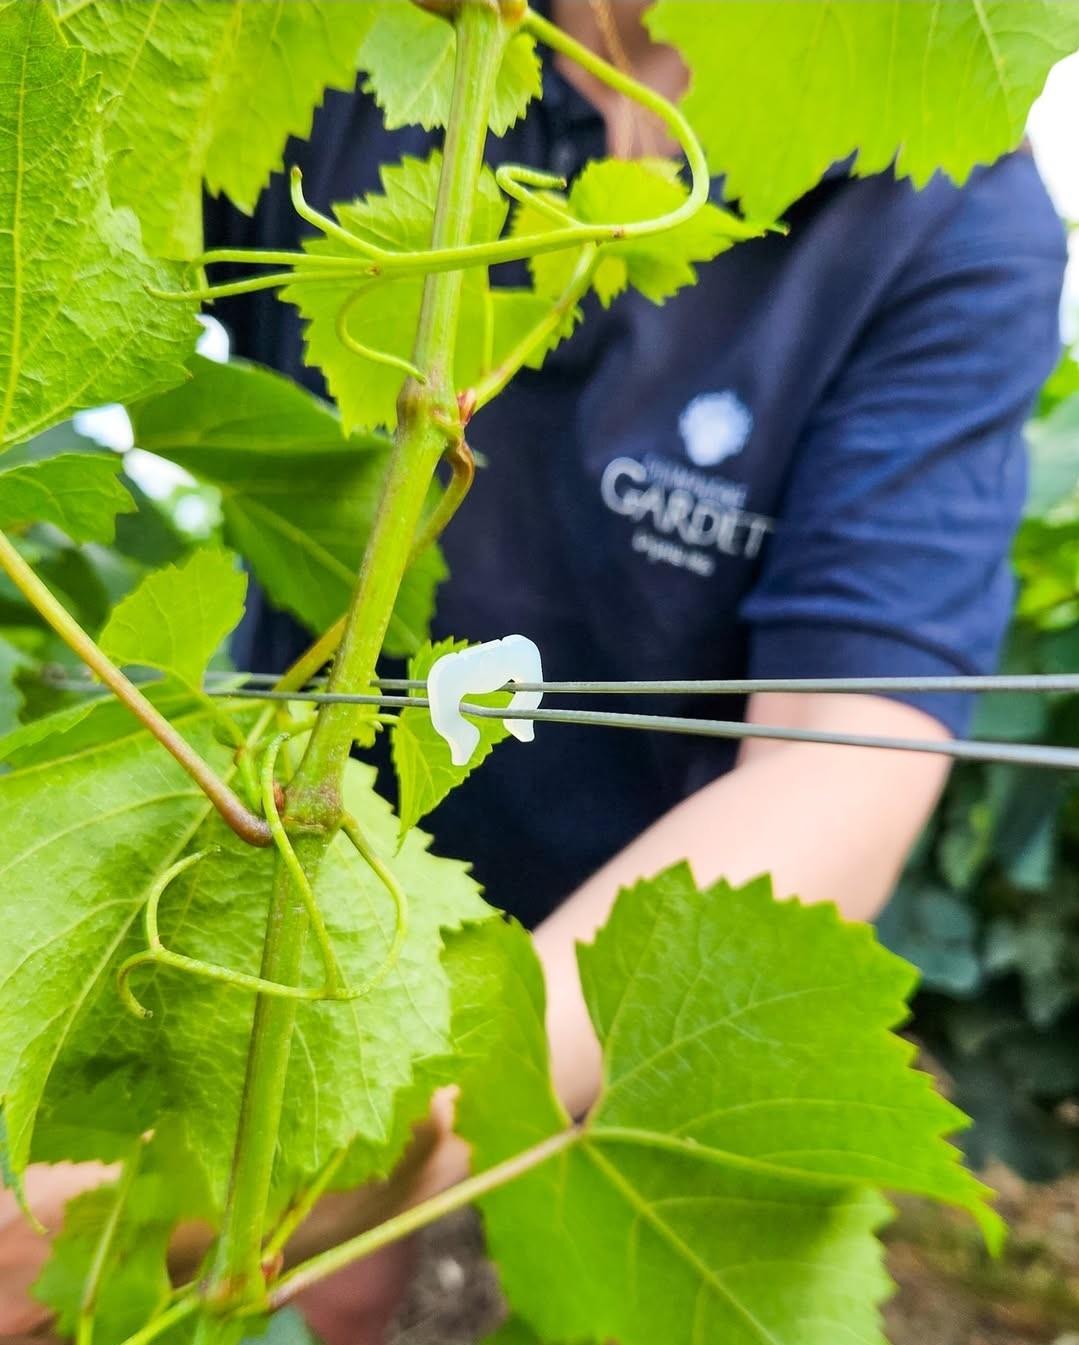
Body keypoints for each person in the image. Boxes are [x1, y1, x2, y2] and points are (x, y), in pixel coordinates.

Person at [0, 2, 1067, 1342]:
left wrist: (370, 1115)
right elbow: (77, 214)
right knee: (321, 1276)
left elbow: (840, 761)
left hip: (618, 929)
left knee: (357, 1205)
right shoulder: (365, 43)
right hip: (290, 868)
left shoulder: (941, 184)